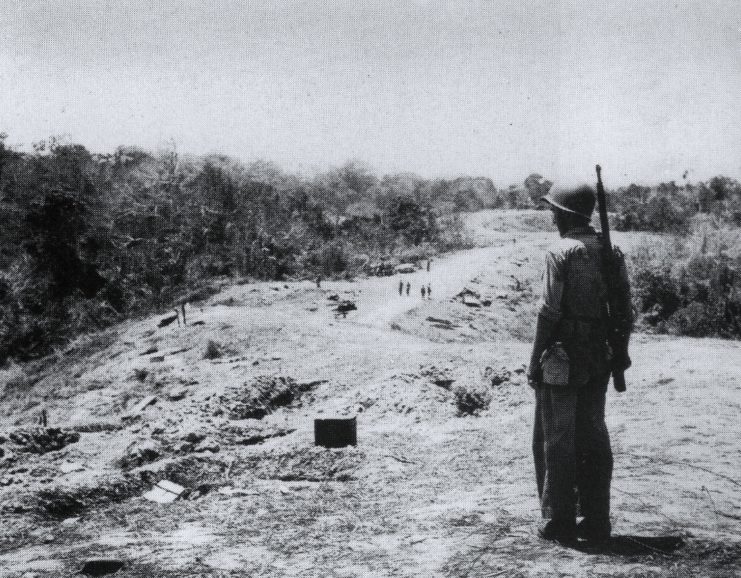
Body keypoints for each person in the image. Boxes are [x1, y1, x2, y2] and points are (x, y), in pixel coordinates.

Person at [528, 185, 632, 544]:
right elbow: (624, 311)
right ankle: (597, 518)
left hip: (562, 356)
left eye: (555, 211)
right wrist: (620, 352)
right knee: (594, 435)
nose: (553, 217)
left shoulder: (560, 251)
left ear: (569, 214)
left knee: (557, 438)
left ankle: (560, 521)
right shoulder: (610, 250)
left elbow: (549, 311)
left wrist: (533, 361)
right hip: (598, 357)